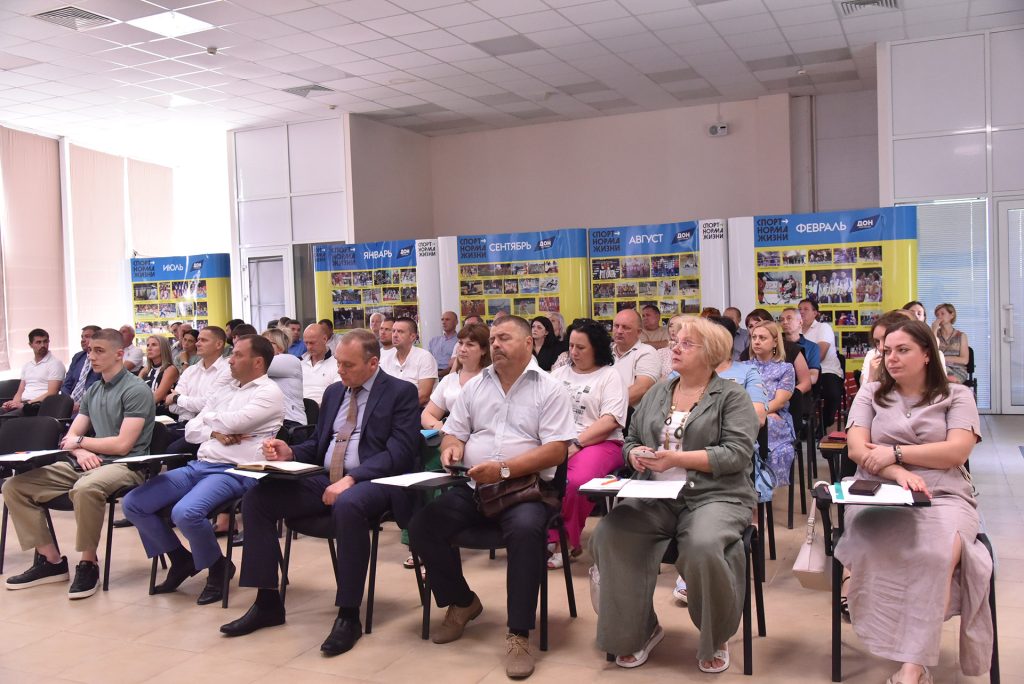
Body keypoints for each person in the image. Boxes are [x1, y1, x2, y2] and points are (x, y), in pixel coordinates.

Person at [219, 330, 421, 658]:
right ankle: (267, 602)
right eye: (338, 363)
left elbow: (399, 452)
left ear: (373, 363)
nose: (339, 370)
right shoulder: (334, 392)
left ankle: (348, 615)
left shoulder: (401, 392)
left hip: (376, 481)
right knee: (258, 498)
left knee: (348, 504)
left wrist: (352, 478)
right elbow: (319, 444)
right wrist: (290, 452)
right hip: (326, 478)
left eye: (348, 365)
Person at [408, 316, 576, 679]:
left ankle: (518, 633)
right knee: (423, 526)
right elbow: (454, 432)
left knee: (526, 532)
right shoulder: (475, 386)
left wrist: (502, 470)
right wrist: (452, 448)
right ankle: (463, 602)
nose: (495, 344)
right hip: (475, 487)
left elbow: (555, 451)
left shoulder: (550, 388)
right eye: (493, 339)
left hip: (526, 490)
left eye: (504, 338)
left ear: (528, 343)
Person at [590, 316, 759, 674]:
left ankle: (715, 636)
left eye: (686, 343)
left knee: (703, 545)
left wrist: (677, 459)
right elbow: (631, 438)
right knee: (611, 533)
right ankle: (640, 630)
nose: (674, 348)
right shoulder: (658, 392)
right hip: (656, 494)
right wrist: (634, 454)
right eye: (674, 341)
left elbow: (736, 454)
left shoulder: (732, 396)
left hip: (716, 495)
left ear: (709, 353)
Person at [835, 318, 991, 683]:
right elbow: (857, 449)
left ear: (926, 355)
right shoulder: (870, 393)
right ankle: (901, 649)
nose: (891, 358)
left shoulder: (957, 395)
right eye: (887, 350)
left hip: (943, 492)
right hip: (878, 490)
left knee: (936, 556)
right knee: (881, 550)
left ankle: (912, 668)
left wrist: (896, 452)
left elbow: (956, 451)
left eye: (902, 350)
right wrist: (896, 470)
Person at [123, 335, 284, 605]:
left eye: (238, 355)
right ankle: (181, 560)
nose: (230, 360)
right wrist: (215, 431)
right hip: (200, 465)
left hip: (235, 470)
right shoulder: (225, 390)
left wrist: (210, 422)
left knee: (185, 512)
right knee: (134, 503)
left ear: (258, 362)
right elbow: (190, 429)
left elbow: (236, 422)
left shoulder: (269, 392)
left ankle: (217, 568)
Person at [2, 328, 155, 599]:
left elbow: (122, 445)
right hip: (88, 462)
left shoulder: (136, 389)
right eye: (90, 350)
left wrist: (81, 443)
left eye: (99, 351)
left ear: (119, 354)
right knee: (14, 486)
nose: (91, 356)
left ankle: (88, 563)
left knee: (85, 488)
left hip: (127, 465)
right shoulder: (93, 390)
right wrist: (80, 450)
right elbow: (70, 439)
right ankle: (51, 561)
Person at [547, 319, 627, 568]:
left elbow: (610, 421)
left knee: (574, 482)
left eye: (580, 347)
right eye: (571, 346)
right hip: (559, 440)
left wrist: (576, 443)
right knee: (537, 474)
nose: (573, 352)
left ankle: (565, 540)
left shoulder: (610, 376)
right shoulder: (558, 375)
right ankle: (547, 534)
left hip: (601, 442)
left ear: (596, 348)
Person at [747, 321, 796, 484]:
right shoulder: (743, 367)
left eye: (762, 338)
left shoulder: (785, 368)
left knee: (767, 424)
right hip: (746, 415)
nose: (756, 341)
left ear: (775, 342)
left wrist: (760, 413)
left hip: (775, 415)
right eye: (754, 337)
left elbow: (779, 402)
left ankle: (764, 486)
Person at [421, 322, 490, 432]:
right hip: (450, 436)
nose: (462, 349)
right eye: (460, 343)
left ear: (484, 350)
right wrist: (440, 428)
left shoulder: (491, 378)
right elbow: (427, 414)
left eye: (470, 345)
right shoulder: (449, 379)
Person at [166, 326, 232, 422]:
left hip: (208, 427)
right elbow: (172, 407)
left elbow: (208, 404)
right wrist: (193, 406)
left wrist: (177, 398)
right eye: (198, 340)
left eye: (203, 340)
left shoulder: (227, 370)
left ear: (219, 344)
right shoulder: (190, 371)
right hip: (183, 424)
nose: (197, 343)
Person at [798, 298, 844, 432]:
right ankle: (802, 428)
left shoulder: (823, 327)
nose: (801, 312)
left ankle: (823, 426)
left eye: (805, 309)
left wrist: (799, 363)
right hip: (803, 372)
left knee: (832, 393)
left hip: (826, 370)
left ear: (815, 313)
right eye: (799, 309)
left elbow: (820, 355)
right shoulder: (796, 330)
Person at [1, 328, 65, 416]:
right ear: (30, 345)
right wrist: (13, 403)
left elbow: (52, 393)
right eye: (38, 342)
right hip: (25, 404)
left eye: (45, 341)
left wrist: (26, 404)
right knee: (2, 411)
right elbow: (20, 391)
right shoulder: (27, 366)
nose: (43, 345)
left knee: (6, 418)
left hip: (39, 406)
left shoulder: (55, 364)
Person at [380, 317, 437, 407]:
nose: (395, 335)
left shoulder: (425, 357)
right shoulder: (386, 359)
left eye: (400, 332)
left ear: (412, 337)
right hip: (390, 409)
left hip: (417, 410)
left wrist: (396, 409)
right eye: (393, 331)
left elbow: (424, 396)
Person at [611, 309, 661, 409]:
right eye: (616, 326)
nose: (619, 331)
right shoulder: (604, 351)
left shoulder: (646, 352)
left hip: (630, 414)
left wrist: (606, 407)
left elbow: (641, 389)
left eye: (626, 327)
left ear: (638, 332)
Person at [262, 328, 306, 427]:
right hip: (272, 422)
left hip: (291, 423)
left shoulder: (290, 360)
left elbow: (252, 366)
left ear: (280, 348)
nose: (260, 347)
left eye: (266, 343)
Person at [61, 324, 102, 414]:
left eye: (87, 337)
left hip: (90, 407)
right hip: (70, 404)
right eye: (82, 337)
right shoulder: (78, 357)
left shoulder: (103, 359)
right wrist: (68, 402)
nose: (83, 340)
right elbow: (66, 385)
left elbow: (102, 390)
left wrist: (81, 405)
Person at [781, 307, 820, 389]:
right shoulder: (775, 344)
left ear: (800, 322)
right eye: (782, 320)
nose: (784, 322)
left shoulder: (812, 347)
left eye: (789, 318)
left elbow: (813, 376)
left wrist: (796, 386)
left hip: (799, 389)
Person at [301, 323, 340, 405]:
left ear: (325, 339)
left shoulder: (337, 364)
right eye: (306, 343)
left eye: (312, 343)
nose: (308, 347)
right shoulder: (300, 363)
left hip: (324, 409)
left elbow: (337, 395)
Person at [138, 335, 180, 408]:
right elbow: (136, 391)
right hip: (146, 408)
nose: (149, 348)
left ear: (163, 348)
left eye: (154, 345)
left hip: (159, 411)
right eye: (148, 345)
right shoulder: (147, 369)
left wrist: (135, 407)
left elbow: (157, 397)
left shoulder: (170, 369)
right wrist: (141, 374)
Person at [933, 303, 969, 384]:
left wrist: (942, 358)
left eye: (942, 313)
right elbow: (932, 352)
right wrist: (934, 330)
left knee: (947, 379)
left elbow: (964, 360)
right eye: (937, 315)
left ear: (951, 315)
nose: (939, 317)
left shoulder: (961, 336)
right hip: (940, 368)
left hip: (958, 370)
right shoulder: (935, 335)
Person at [428, 311, 459, 377]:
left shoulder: (460, 342)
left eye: (447, 319)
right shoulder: (433, 341)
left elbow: (460, 363)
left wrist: (442, 373)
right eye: (442, 319)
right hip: (432, 374)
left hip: (452, 375)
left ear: (456, 322)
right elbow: (428, 361)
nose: (444, 322)